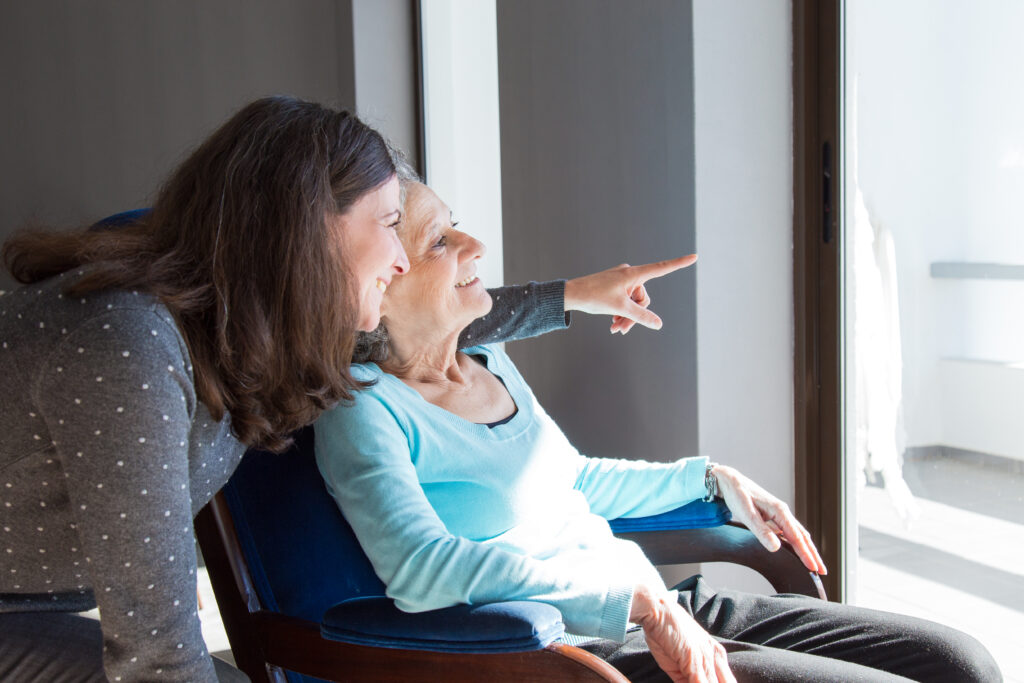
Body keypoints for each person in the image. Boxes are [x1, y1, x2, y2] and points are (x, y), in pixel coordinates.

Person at [0, 96, 686, 682]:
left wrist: (571, 299)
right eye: (391, 226)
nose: (399, 259)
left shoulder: (259, 331)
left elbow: (416, 313)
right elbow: (157, 651)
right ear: (306, 229)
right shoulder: (129, 348)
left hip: (33, 603)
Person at [315, 180, 1002, 683]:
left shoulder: (487, 360)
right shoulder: (364, 410)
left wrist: (711, 478)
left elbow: (574, 480)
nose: (475, 245)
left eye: (456, 225)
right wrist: (637, 600)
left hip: (660, 604)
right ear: (383, 282)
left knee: (962, 663)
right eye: (441, 240)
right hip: (582, 651)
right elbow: (422, 571)